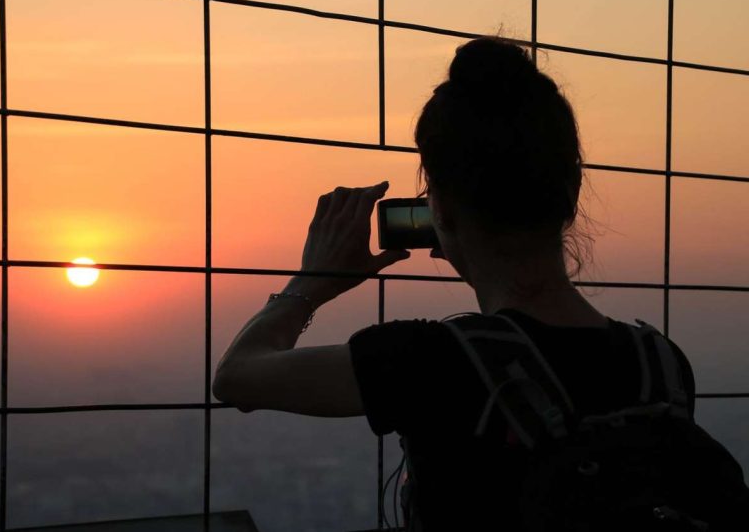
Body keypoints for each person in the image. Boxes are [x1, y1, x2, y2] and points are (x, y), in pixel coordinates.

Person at [211, 36, 697, 529]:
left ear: (438, 207)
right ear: (571, 193)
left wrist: (312, 281)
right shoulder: (661, 366)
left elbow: (237, 378)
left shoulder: (431, 361)